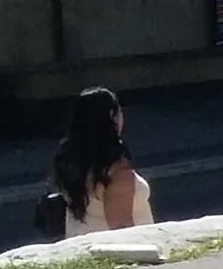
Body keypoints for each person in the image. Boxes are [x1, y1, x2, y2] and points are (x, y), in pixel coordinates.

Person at [51, 86, 153, 238]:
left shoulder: (72, 160)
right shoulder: (116, 171)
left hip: (79, 243)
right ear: (113, 116)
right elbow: (122, 229)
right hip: (110, 252)